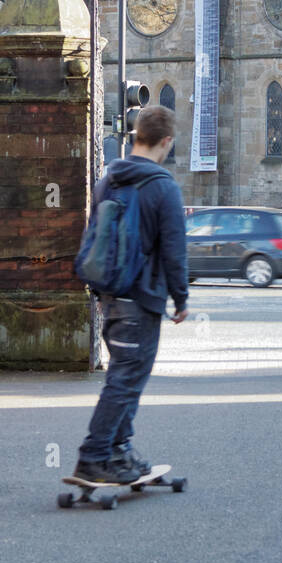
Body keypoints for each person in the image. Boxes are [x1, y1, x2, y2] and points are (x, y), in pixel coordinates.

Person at [75, 106, 189, 484]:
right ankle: (93, 456)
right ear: (166, 142)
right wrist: (181, 298)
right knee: (125, 379)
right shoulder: (163, 186)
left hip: (108, 294)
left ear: (136, 134)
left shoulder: (108, 179)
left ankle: (119, 452)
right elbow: (174, 250)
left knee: (126, 376)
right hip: (141, 297)